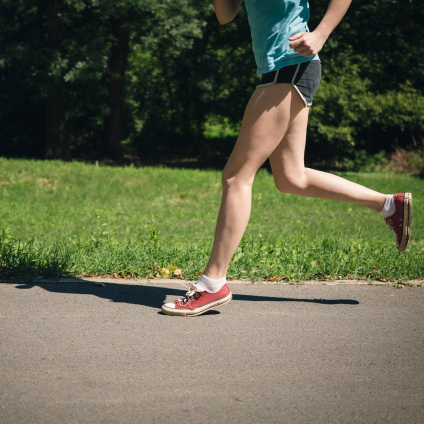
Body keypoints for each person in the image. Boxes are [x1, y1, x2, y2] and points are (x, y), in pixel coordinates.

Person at [161, 0, 413, 317]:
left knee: (236, 176)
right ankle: (389, 204)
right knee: (291, 177)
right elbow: (226, 15)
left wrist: (321, 33)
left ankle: (213, 283)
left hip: (291, 65)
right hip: (281, 69)